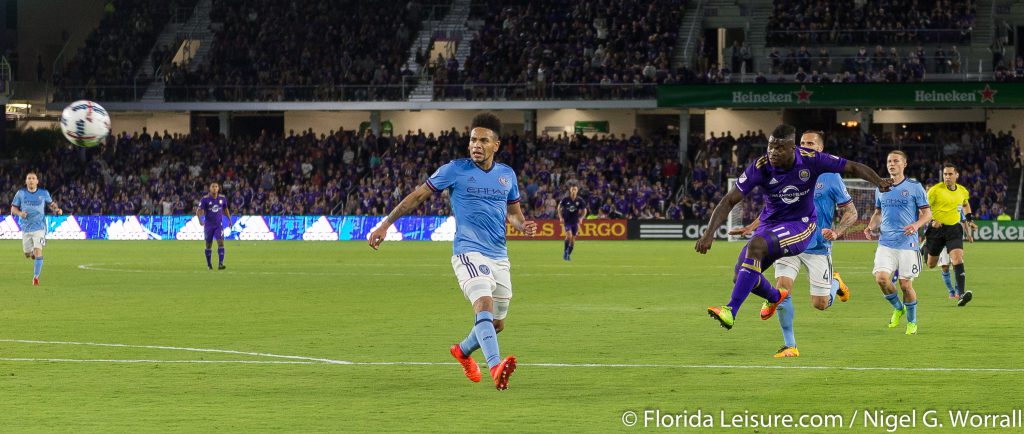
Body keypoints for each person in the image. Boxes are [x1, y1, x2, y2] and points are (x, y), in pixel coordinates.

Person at [368, 113, 537, 390]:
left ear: (497, 144)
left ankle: (461, 351)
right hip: (468, 252)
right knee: (483, 305)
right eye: (472, 139)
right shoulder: (454, 170)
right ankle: (496, 368)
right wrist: (386, 224)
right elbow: (418, 196)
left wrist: (522, 225)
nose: (476, 145)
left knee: (496, 324)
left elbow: (514, 214)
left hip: (499, 255)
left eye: (483, 140)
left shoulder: (507, 175)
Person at [696, 124, 892, 330]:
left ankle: (730, 310)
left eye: (779, 148)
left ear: (792, 149)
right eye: (770, 146)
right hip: (772, 226)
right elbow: (728, 200)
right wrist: (709, 233)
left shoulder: (811, 160)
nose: (772, 152)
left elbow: (852, 167)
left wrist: (878, 181)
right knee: (741, 276)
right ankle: (775, 296)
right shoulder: (760, 166)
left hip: (802, 226)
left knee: (758, 246)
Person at [728, 130, 859, 357]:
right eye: (802, 143)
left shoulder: (831, 175)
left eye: (810, 143)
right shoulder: (789, 168)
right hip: (785, 242)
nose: (805, 146)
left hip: (817, 246)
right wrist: (752, 227)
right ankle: (790, 345)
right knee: (782, 289)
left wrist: (837, 232)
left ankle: (836, 284)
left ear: (820, 148)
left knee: (820, 303)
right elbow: (775, 207)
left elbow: (851, 211)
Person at [863, 151, 931, 335]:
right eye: (889, 161)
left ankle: (912, 321)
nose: (891, 164)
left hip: (908, 244)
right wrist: (871, 226)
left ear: (904, 164)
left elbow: (927, 213)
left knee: (905, 286)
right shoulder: (881, 186)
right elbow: (878, 213)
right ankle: (898, 307)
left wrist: (916, 225)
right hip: (886, 242)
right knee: (881, 279)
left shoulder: (915, 187)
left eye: (895, 161)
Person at [925, 163, 977, 306]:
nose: (947, 177)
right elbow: (922, 208)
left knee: (958, 258)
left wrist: (970, 220)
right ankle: (925, 249)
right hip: (936, 229)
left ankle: (961, 294)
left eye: (950, 174)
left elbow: (965, 204)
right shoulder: (935, 191)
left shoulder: (962, 191)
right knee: (931, 264)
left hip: (954, 229)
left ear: (956, 175)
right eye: (945, 174)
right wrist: (933, 220)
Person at [11, 172, 63, 286]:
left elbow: (51, 204)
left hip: (40, 227)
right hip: (26, 228)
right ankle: (33, 254)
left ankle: (35, 277)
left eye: (33, 178)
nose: (31, 180)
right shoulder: (20, 193)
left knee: (38, 250)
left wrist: (57, 209)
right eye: (29, 178)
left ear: (37, 181)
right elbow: (13, 209)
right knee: (27, 254)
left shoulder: (44, 193)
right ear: (26, 181)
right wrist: (20, 213)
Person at [197, 182, 231, 270]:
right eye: (213, 187)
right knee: (208, 245)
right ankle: (209, 265)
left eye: (216, 186)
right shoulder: (205, 199)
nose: (215, 188)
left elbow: (226, 209)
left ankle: (220, 264)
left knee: (221, 243)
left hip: (218, 226)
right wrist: (200, 221)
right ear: (210, 188)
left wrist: (230, 220)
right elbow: (198, 211)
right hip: (208, 226)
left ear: (218, 188)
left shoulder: (222, 198)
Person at [557, 181, 587, 261]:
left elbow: (584, 210)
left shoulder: (580, 200)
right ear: (570, 190)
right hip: (567, 221)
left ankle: (568, 255)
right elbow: (559, 208)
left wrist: (581, 218)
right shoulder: (565, 199)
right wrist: (560, 217)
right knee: (569, 236)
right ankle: (565, 252)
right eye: (572, 189)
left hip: (575, 222)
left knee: (573, 240)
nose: (574, 191)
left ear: (577, 190)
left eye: (575, 189)